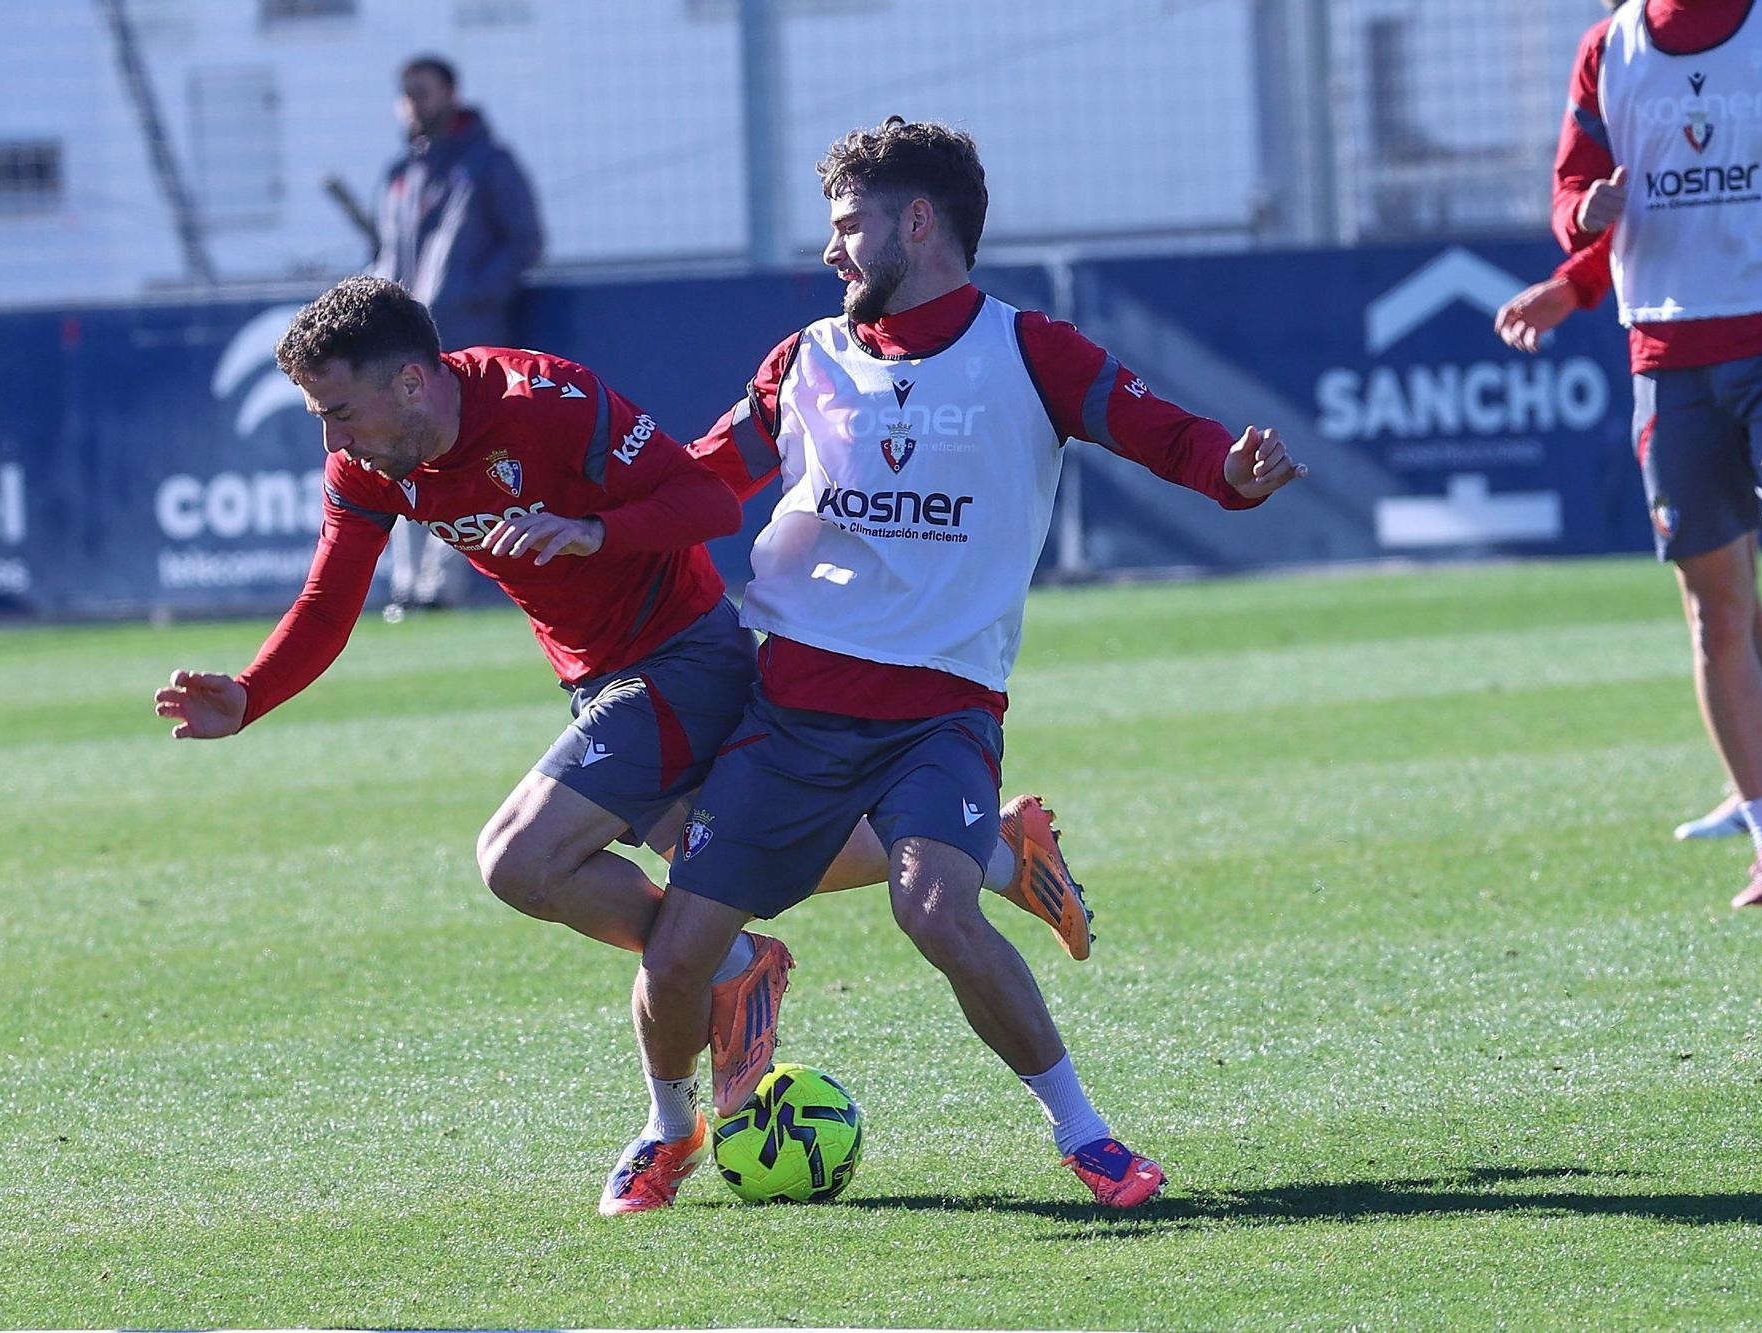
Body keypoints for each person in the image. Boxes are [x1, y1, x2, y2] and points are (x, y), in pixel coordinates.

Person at [152, 276, 1093, 1122]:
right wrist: (252, 691)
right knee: (730, 854)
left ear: (410, 383)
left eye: (338, 410)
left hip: (682, 656)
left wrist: (588, 532)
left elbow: (707, 504)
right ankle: (996, 853)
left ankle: (727, 971)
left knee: (520, 861)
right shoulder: (369, 465)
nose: (331, 437)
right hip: (599, 679)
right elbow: (327, 603)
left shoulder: (544, 400)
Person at [598, 118, 1306, 1217]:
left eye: (847, 226)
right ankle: (668, 1128)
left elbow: (1162, 432)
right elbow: (703, 479)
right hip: (787, 709)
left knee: (933, 907)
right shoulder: (804, 360)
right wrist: (589, 519)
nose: (832, 252)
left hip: (939, 716)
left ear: (916, 222)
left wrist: (1231, 473)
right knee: (682, 946)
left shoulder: (1030, 352)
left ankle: (1088, 1137)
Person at [1541, 0, 1762, 907]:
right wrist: (1581, 222)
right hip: (1668, 362)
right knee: (1718, 614)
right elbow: (1569, 199)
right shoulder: (1609, 48)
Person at [1495, 230, 1762, 844]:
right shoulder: (1612, 127)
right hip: (1681, 346)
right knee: (1726, 599)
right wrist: (1580, 274)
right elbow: (1619, 199)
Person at [373, 54, 545, 619]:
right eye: (406, 94)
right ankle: (406, 584)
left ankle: (441, 585)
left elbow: (525, 241)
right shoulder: (399, 175)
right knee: (399, 454)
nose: (412, 104)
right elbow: (386, 257)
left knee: (460, 459)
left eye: (421, 91)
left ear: (450, 93)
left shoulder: (488, 164)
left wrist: (471, 296)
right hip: (403, 347)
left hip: (466, 346)